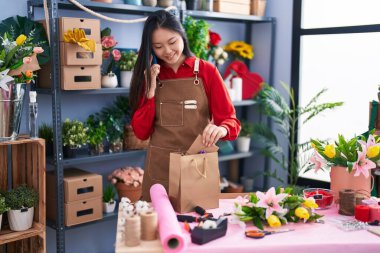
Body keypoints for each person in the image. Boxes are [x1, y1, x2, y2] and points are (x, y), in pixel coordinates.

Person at [129, 10, 240, 201]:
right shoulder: (151, 76)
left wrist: (221, 129)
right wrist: (151, 91)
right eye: (158, 46)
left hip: (198, 167)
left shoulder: (207, 71)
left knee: (200, 227)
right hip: (160, 170)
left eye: (172, 42)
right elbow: (141, 132)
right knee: (159, 228)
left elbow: (231, 122)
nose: (168, 51)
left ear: (182, 35)